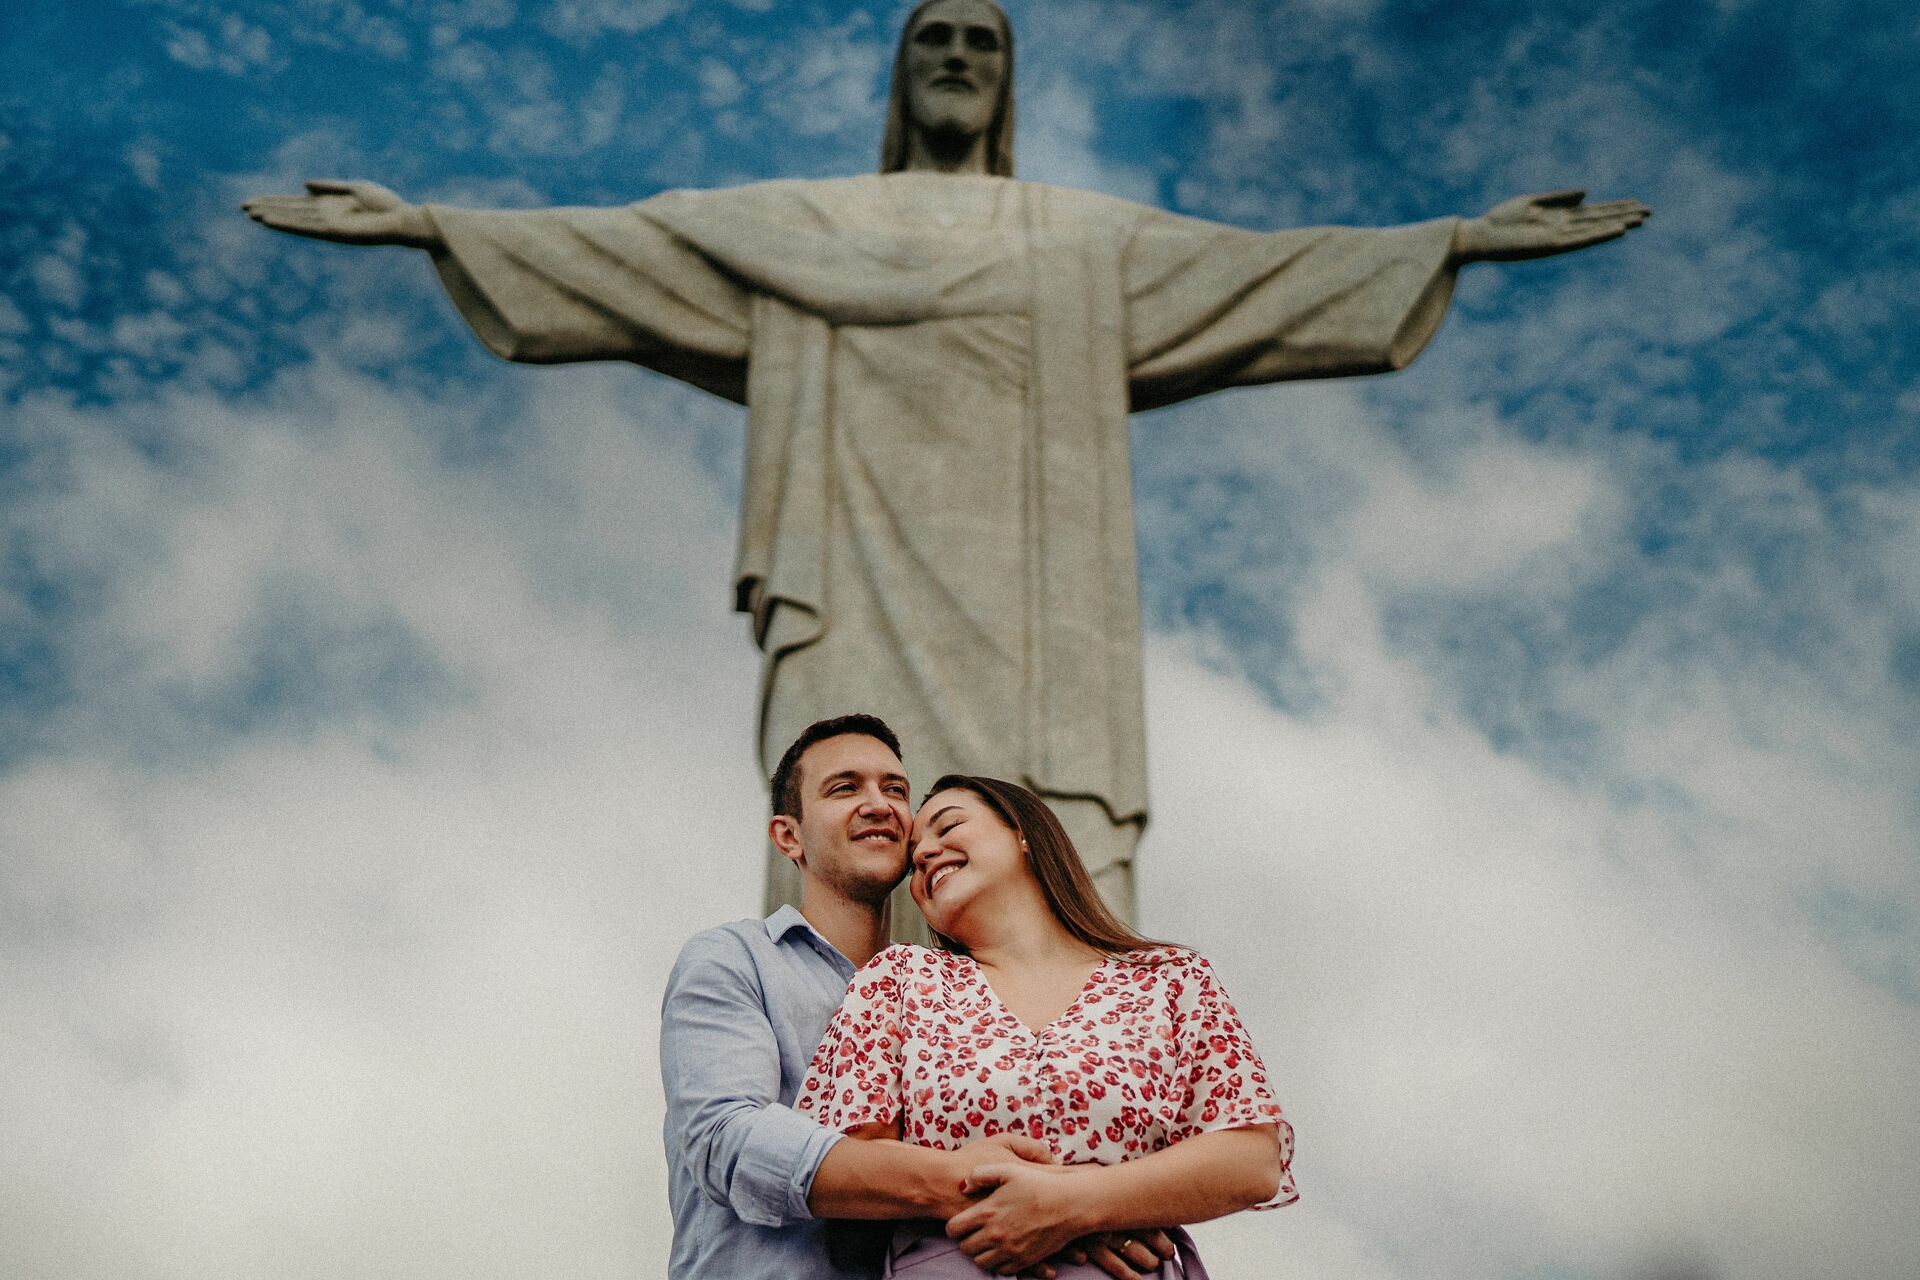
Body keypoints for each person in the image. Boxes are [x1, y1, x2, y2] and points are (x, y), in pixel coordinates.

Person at [242, 0, 1649, 935]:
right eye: (936, 42)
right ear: (906, 78)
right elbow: (630, 249)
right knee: (859, 832)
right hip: (857, 584)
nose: (963, 59)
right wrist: (433, 225)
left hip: (1041, 622)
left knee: (1044, 846)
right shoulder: (804, 222)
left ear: (1008, 77)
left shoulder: (1074, 237)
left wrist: (1451, 239)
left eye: (986, 40)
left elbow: (1259, 272)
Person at [660, 714, 1172, 1280]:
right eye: (845, 787)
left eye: (895, 789)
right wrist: (974, 1187)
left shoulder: (953, 999)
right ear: (790, 835)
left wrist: (1075, 1210)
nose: (879, 804)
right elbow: (727, 1140)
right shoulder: (733, 959)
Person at [795, 774, 1294, 1277]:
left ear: (1024, 834)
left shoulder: (1170, 979)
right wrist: (1002, 1198)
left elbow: (1251, 1159)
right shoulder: (900, 979)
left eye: (948, 826)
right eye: (914, 856)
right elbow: (833, 1166)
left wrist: (1077, 1204)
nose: (924, 853)